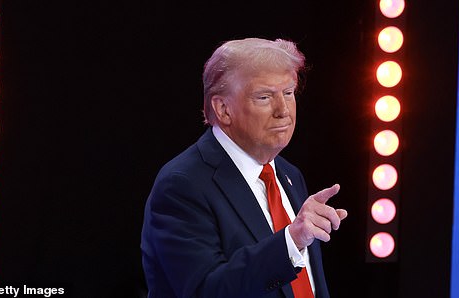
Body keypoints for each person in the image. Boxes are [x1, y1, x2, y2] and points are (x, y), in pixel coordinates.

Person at [141, 37, 348, 298]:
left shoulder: (289, 174)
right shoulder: (181, 184)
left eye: (288, 93)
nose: (283, 110)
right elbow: (206, 291)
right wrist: (290, 242)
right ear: (223, 109)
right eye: (264, 97)